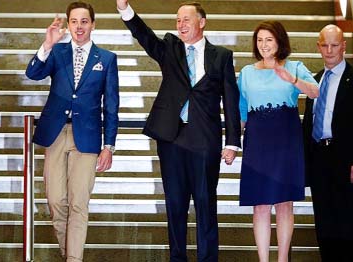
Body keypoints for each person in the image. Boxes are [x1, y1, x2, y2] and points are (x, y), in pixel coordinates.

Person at [116, 1, 241, 261]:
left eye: (186, 19)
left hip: (205, 140)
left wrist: (232, 142)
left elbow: (230, 99)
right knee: (175, 205)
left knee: (206, 204)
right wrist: (125, 8)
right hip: (172, 138)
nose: (181, 25)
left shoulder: (221, 55)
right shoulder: (170, 49)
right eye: (178, 20)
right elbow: (144, 36)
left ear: (201, 22)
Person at [25, 2, 120, 261]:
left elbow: (111, 107)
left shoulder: (107, 59)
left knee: (79, 204)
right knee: (56, 201)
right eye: (74, 21)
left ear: (93, 24)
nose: (79, 26)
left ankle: (73, 259)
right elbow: (32, 73)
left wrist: (109, 146)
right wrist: (47, 45)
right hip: (55, 134)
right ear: (68, 24)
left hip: (88, 138)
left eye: (84, 21)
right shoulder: (57, 52)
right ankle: (70, 253)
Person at [238, 21, 318, 262]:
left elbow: (315, 91)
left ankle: (282, 259)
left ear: (280, 41)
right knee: (260, 204)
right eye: (260, 40)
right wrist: (231, 144)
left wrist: (292, 79)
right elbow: (241, 111)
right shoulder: (246, 73)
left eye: (269, 40)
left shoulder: (294, 66)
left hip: (286, 141)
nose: (264, 45)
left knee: (284, 203)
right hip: (257, 142)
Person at [302, 24, 353, 261]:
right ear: (318, 47)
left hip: (348, 162)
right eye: (325, 45)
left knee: (351, 222)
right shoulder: (314, 81)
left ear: (344, 46)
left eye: (335, 45)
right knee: (325, 221)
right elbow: (309, 123)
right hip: (319, 160)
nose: (330, 50)